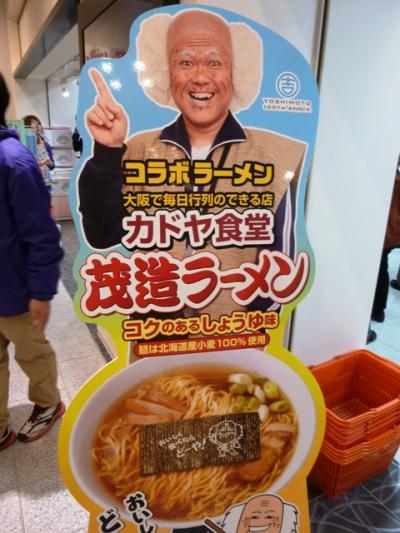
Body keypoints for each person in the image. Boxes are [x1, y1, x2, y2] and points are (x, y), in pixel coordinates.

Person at [78, 9, 306, 320]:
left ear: (236, 72)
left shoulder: (275, 154)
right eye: (185, 62)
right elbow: (103, 234)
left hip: (230, 337)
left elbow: (280, 264)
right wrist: (108, 150)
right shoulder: (140, 149)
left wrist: (244, 332)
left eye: (215, 62)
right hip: (155, 333)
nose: (200, 77)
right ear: (165, 71)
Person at [0, 73, 65, 451]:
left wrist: (41, 292)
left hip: (15, 289)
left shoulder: (14, 160)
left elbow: (41, 234)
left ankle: (47, 403)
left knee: (32, 352)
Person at [371, 160, 400, 323]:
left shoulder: (389, 180)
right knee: (382, 268)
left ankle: (377, 309)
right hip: (393, 234)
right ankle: (378, 310)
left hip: (383, 234)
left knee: (380, 269)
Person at [23, 114, 55, 186]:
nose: (37, 127)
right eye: (33, 125)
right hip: (32, 183)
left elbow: (52, 167)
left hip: (45, 183)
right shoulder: (25, 145)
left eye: (38, 124)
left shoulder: (46, 145)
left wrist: (49, 162)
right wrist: (40, 164)